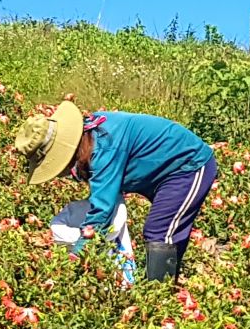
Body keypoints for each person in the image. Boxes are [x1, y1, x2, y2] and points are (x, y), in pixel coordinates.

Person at [13, 101, 217, 283]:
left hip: (188, 167)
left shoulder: (104, 148)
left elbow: (101, 212)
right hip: (158, 171)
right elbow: (104, 197)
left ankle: (159, 304)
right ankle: (162, 286)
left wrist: (75, 260)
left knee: (160, 231)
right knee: (164, 231)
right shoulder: (90, 136)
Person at [50, 199, 137, 285]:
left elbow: (113, 230)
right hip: (75, 267)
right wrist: (85, 235)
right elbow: (55, 230)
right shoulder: (74, 207)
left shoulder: (117, 205)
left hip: (106, 267)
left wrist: (88, 236)